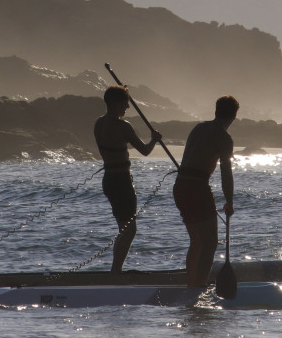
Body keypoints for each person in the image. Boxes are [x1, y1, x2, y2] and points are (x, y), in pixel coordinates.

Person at [93, 85, 164, 272]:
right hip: (122, 181)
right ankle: (116, 270)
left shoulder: (98, 124)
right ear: (115, 103)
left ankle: (116, 269)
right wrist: (154, 139)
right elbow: (145, 151)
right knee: (129, 230)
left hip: (108, 180)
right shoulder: (123, 126)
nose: (128, 107)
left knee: (124, 228)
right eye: (125, 103)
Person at [173, 95, 238, 288]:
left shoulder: (198, 128)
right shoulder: (224, 138)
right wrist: (229, 201)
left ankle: (192, 284)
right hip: (197, 187)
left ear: (216, 111)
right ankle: (198, 287)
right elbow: (226, 171)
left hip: (180, 186)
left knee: (197, 241)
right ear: (234, 117)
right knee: (210, 243)